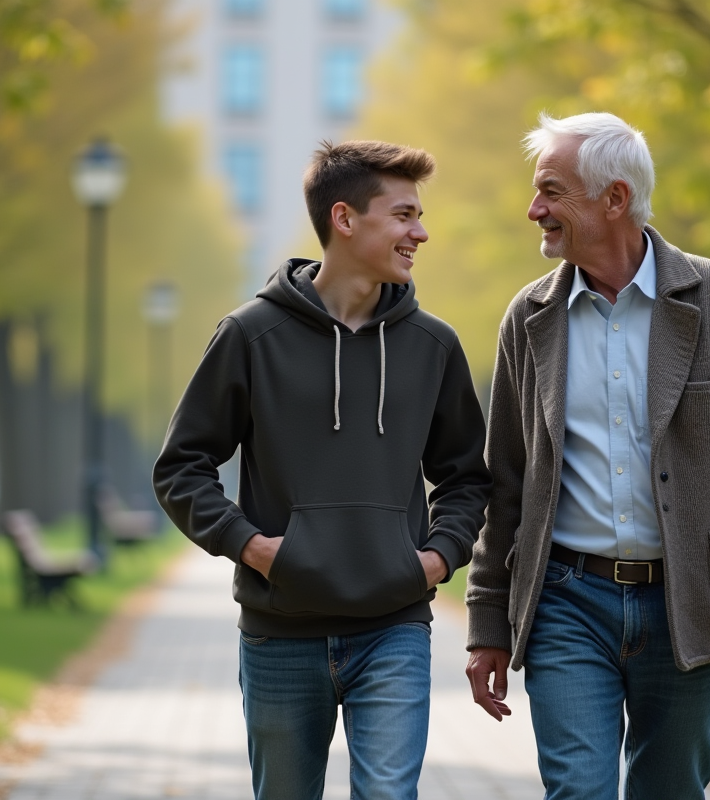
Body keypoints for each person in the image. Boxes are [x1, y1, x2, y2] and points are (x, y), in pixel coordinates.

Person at [464, 112, 710, 799]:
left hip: (690, 600)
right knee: (579, 790)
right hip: (568, 602)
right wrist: (486, 621)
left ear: (614, 199)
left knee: (670, 790)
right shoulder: (528, 319)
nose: (534, 210)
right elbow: (504, 484)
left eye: (552, 192)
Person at [154, 140, 491, 800]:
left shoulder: (434, 345)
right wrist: (253, 548)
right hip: (281, 633)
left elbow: (466, 477)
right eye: (403, 215)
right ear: (345, 219)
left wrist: (436, 559)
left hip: (394, 627)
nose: (419, 232)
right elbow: (182, 466)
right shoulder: (250, 336)